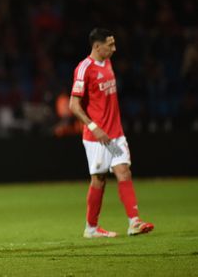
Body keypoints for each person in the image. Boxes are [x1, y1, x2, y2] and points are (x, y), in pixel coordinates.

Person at [69, 28, 154, 238]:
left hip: (115, 133)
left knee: (124, 172)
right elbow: (73, 104)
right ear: (97, 46)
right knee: (99, 179)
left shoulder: (107, 62)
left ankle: (134, 222)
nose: (114, 49)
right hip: (96, 137)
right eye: (110, 45)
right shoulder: (84, 68)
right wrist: (93, 127)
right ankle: (91, 228)